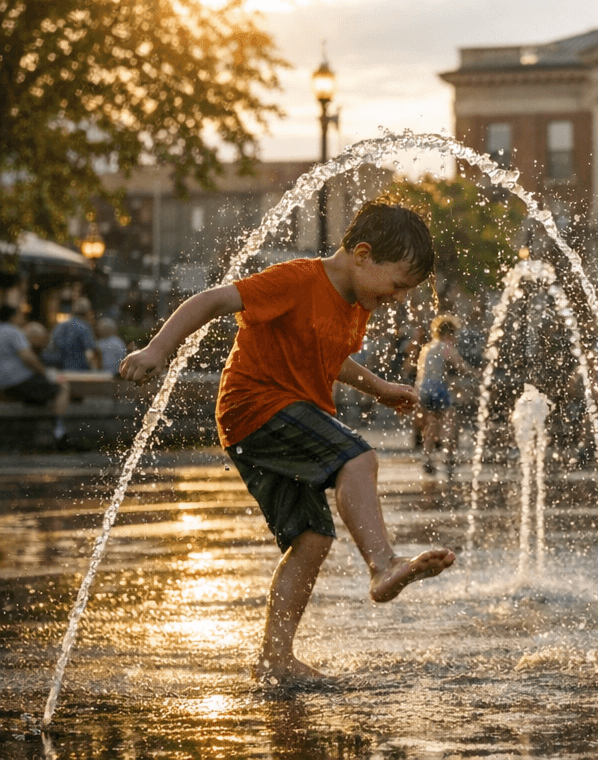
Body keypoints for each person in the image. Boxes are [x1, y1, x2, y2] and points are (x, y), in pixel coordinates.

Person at [119, 201, 456, 684]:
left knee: (311, 538)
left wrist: (379, 388)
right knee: (357, 457)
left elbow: (329, 355)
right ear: (363, 255)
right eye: (398, 285)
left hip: (268, 423)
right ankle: (383, 565)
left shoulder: (356, 303)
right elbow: (212, 300)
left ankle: (274, 660)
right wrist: (157, 349)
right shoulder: (298, 279)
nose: (399, 298)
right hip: (257, 406)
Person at [415, 314, 477, 476]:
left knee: (432, 423)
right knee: (450, 421)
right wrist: (477, 373)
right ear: (448, 334)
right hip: (437, 389)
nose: (455, 338)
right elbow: (461, 367)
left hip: (424, 389)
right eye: (454, 335)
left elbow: (427, 373)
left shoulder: (428, 347)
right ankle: (448, 458)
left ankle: (427, 458)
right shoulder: (445, 347)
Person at [0, 303, 71, 444]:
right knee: (62, 387)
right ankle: (59, 430)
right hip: (17, 381)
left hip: (4, 381)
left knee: (40, 393)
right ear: (12, 316)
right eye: (20, 315)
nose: (22, 318)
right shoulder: (13, 331)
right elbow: (28, 357)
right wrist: (45, 373)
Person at [44, 298, 97, 372]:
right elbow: (92, 348)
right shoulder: (84, 327)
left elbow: (51, 343)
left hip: (59, 368)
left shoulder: (60, 326)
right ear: (87, 312)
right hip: (78, 369)